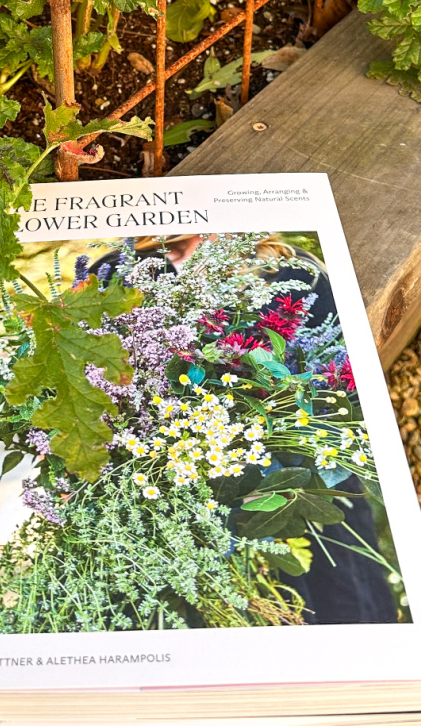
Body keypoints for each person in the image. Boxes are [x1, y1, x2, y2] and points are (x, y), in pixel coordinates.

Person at [86, 232, 401, 626]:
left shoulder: (293, 270)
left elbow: (341, 381)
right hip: (172, 493)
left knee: (338, 600)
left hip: (299, 478)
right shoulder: (117, 271)